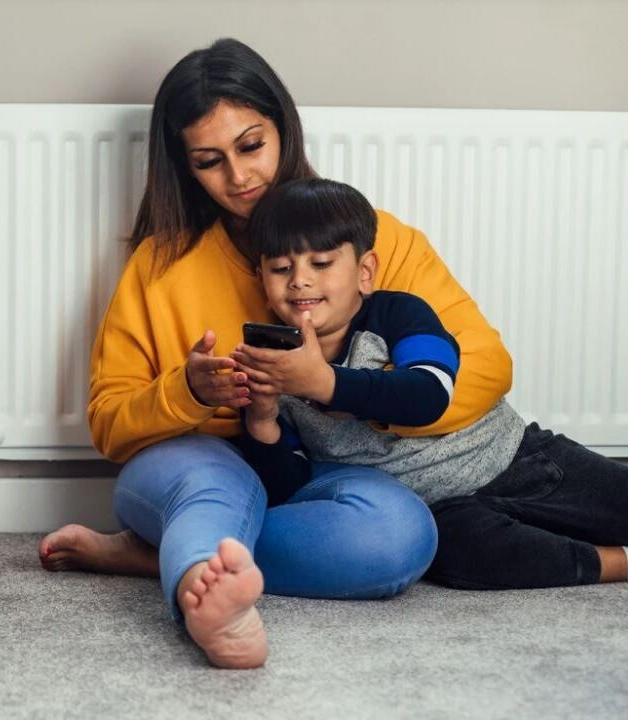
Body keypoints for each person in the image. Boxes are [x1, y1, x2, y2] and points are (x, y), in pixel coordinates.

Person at [38, 38, 514, 670]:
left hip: (317, 467)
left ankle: (164, 553)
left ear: (284, 128)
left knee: (403, 536)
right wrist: (189, 393)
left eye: (252, 145)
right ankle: (203, 601)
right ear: (185, 166)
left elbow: (486, 365)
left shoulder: (372, 238)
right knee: (217, 483)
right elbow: (107, 420)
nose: (239, 178)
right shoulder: (158, 266)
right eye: (209, 160)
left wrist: (335, 391)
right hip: (202, 462)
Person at [235, 177, 628, 599]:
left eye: (321, 264)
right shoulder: (274, 362)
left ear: (364, 272)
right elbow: (290, 485)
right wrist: (261, 422)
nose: (299, 280)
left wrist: (328, 383)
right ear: (262, 277)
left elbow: (429, 393)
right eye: (281, 269)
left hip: (514, 458)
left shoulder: (400, 313)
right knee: (464, 559)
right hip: (442, 510)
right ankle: (616, 562)